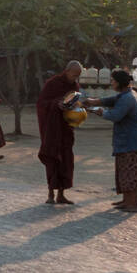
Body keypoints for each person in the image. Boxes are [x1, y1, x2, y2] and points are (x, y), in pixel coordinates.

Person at [84, 69, 137, 212]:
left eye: (112, 81)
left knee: (133, 173)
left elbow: (115, 115)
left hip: (132, 141)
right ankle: (127, 201)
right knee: (126, 172)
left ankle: (135, 204)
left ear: (119, 82)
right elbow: (112, 100)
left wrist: (101, 112)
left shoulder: (128, 98)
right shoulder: (127, 94)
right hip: (129, 139)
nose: (111, 83)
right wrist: (95, 101)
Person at [37, 61, 83, 205]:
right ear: (67, 71)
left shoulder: (74, 86)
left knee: (66, 160)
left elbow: (75, 103)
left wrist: (77, 107)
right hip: (51, 128)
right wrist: (57, 104)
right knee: (52, 158)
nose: (75, 78)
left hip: (66, 127)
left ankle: (61, 195)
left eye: (78, 76)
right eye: (74, 74)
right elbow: (41, 103)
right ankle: (51, 193)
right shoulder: (53, 83)